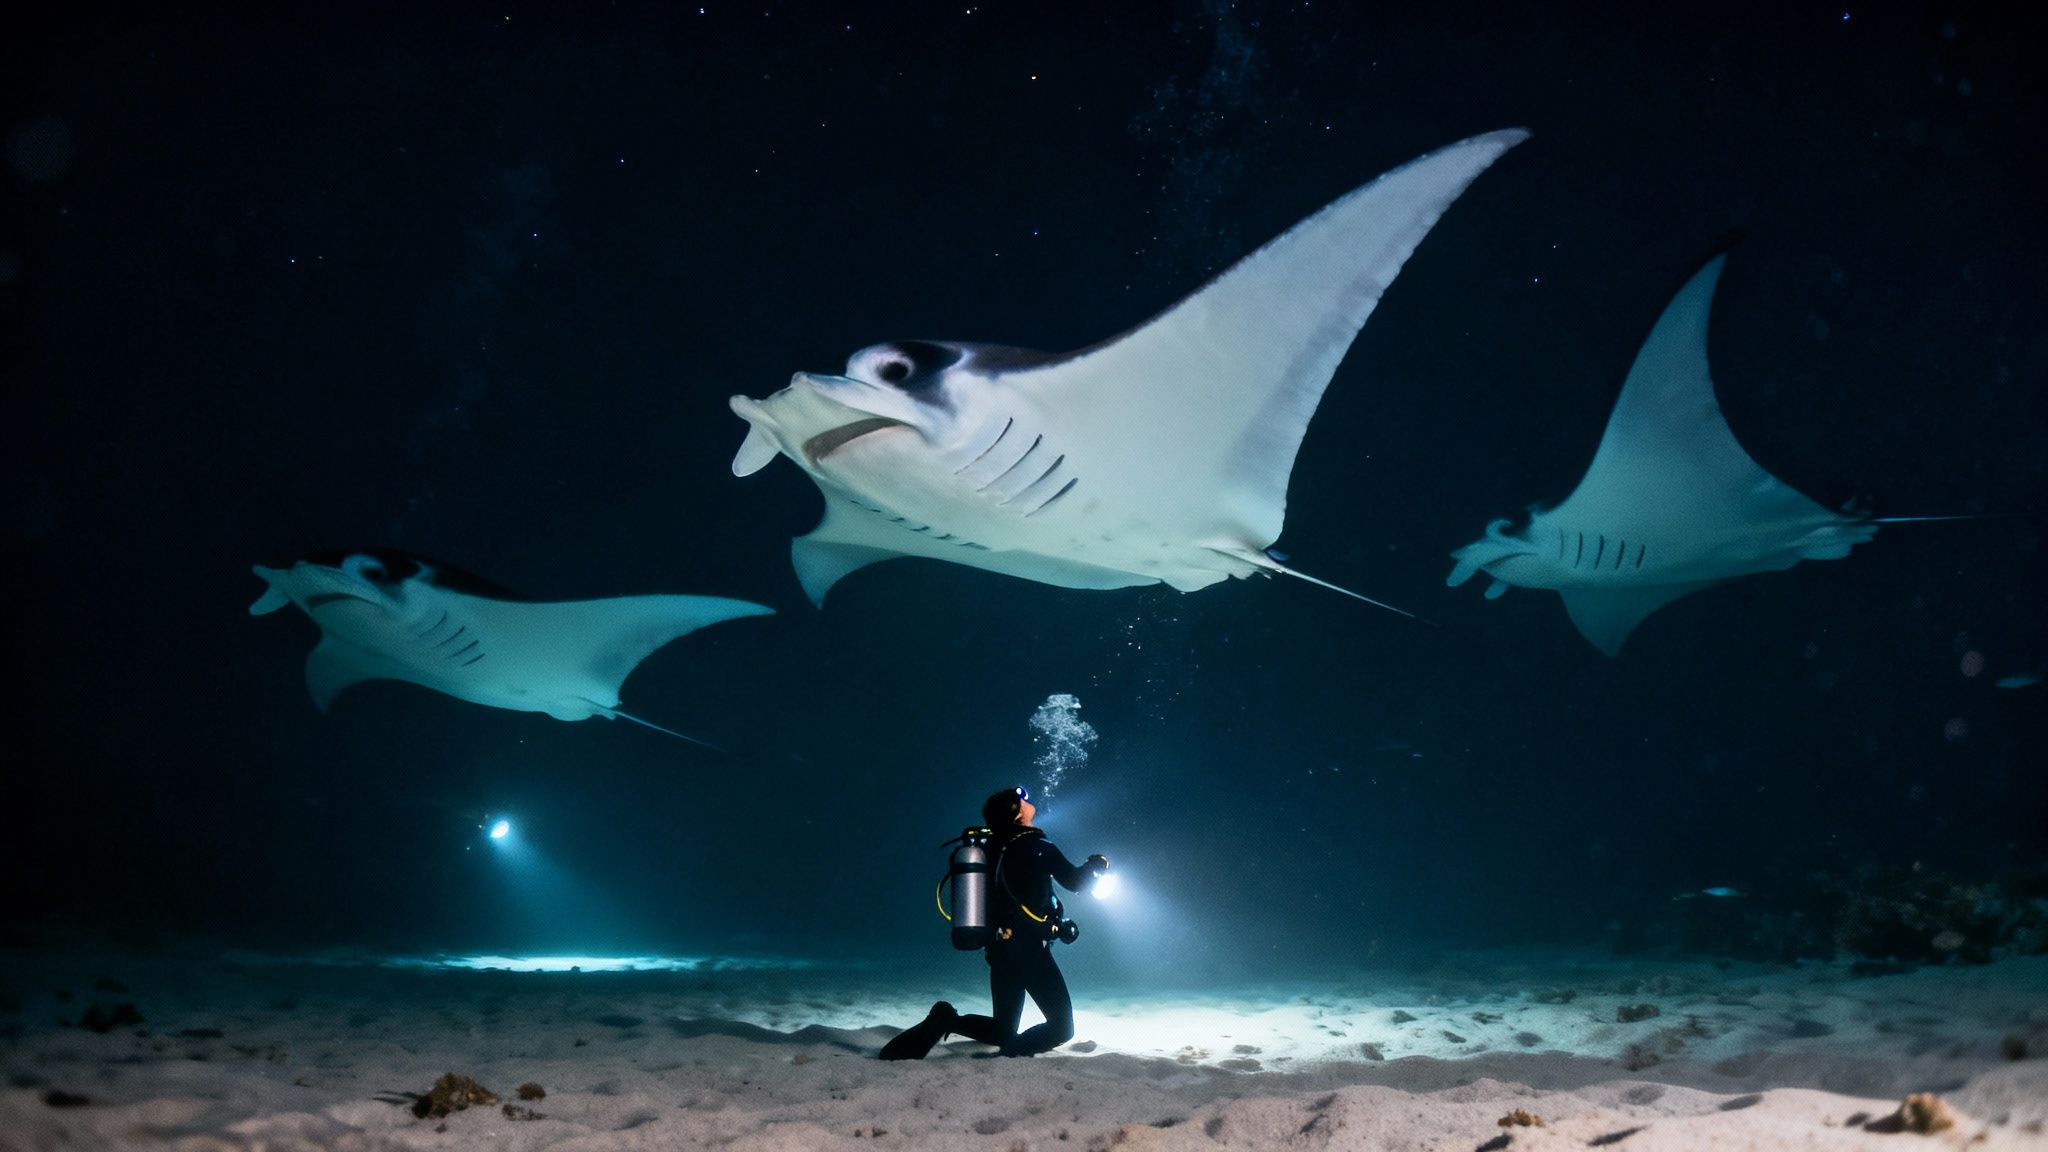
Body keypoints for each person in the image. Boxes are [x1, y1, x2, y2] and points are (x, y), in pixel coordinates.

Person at [879, 785, 1108, 1060]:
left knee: (1002, 1029)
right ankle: (1008, 1056)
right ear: (1015, 815)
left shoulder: (989, 848)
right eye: (1019, 800)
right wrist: (1096, 865)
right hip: (1029, 952)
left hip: (999, 949)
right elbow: (1075, 882)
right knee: (1061, 1029)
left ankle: (946, 1020)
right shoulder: (1038, 848)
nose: (1027, 801)